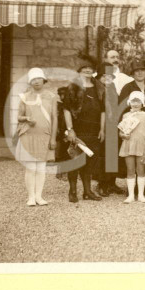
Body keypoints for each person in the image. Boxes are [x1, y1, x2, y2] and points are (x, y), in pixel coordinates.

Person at [58, 55, 105, 202]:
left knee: (90, 161)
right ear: (79, 71)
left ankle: (87, 191)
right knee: (75, 160)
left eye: (90, 69)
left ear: (94, 71)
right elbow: (66, 109)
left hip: (94, 130)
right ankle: (72, 192)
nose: (87, 71)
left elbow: (103, 110)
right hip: (78, 131)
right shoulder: (73, 87)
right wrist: (70, 129)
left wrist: (102, 129)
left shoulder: (100, 87)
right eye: (84, 69)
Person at [15, 67, 58, 206]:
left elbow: (54, 117)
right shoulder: (24, 97)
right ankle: (31, 197)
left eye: (38, 78)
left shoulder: (51, 96)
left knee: (41, 167)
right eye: (33, 79)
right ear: (30, 82)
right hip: (28, 135)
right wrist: (27, 118)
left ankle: (39, 196)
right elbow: (19, 117)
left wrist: (53, 138)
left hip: (44, 136)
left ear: (43, 80)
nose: (36, 81)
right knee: (30, 167)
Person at [118, 91, 145, 203]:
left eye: (138, 101)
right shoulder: (125, 115)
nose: (135, 104)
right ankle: (131, 195)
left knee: (141, 169)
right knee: (130, 170)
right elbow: (121, 132)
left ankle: (141, 195)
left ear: (142, 103)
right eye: (133, 101)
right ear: (129, 102)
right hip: (128, 145)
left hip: (142, 145)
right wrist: (123, 135)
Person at [96, 61, 125, 196]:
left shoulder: (112, 88)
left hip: (114, 125)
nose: (107, 79)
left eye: (110, 76)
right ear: (99, 77)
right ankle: (102, 183)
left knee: (113, 155)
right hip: (101, 126)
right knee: (103, 156)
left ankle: (111, 182)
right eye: (104, 76)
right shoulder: (97, 89)